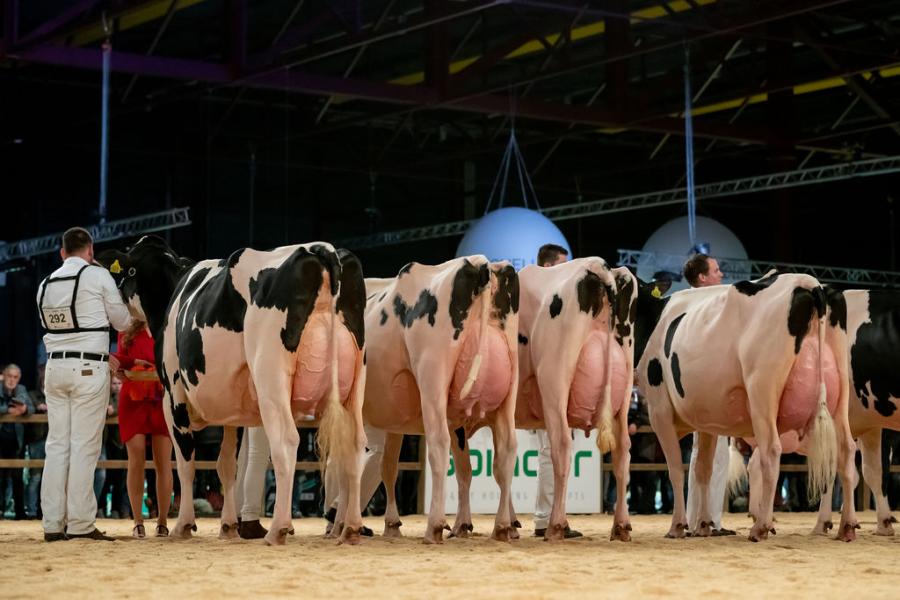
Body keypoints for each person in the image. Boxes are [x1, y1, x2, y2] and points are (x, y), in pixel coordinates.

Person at [36, 226, 132, 541]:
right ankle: (79, 524)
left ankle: (52, 524)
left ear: (62, 252)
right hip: (89, 368)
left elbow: (57, 326)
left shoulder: (45, 284)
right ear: (90, 251)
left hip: (54, 367)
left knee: (56, 445)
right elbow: (122, 321)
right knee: (84, 446)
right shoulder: (97, 276)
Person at [682, 253, 734, 536]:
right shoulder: (700, 304)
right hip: (703, 386)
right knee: (706, 452)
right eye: (716, 270)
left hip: (708, 385)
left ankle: (707, 518)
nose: (721, 274)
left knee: (716, 453)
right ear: (702, 277)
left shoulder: (691, 302)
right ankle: (703, 519)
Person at [532, 243, 582, 539]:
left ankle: (545, 515)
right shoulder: (542, 301)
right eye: (564, 265)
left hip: (537, 384)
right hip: (540, 384)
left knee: (551, 448)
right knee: (552, 448)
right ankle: (545, 518)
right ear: (549, 268)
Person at [109, 320, 173, 538]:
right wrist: (130, 363)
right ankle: (138, 521)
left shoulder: (165, 323)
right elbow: (116, 360)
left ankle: (163, 521)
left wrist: (131, 363)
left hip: (161, 397)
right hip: (133, 398)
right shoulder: (125, 328)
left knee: (163, 461)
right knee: (135, 459)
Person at [1, 364, 35, 519]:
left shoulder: (20, 389)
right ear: (3, 376)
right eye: (9, 376)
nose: (12, 380)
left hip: (16, 442)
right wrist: (7, 410)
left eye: (15, 377)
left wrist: (24, 410)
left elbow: (31, 407)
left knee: (17, 477)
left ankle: (20, 512)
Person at [25, 365, 48, 519]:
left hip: (56, 439)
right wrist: (37, 407)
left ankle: (45, 512)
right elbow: (29, 407)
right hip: (37, 439)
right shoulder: (33, 394)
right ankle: (31, 511)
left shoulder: (59, 393)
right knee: (35, 477)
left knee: (51, 478)